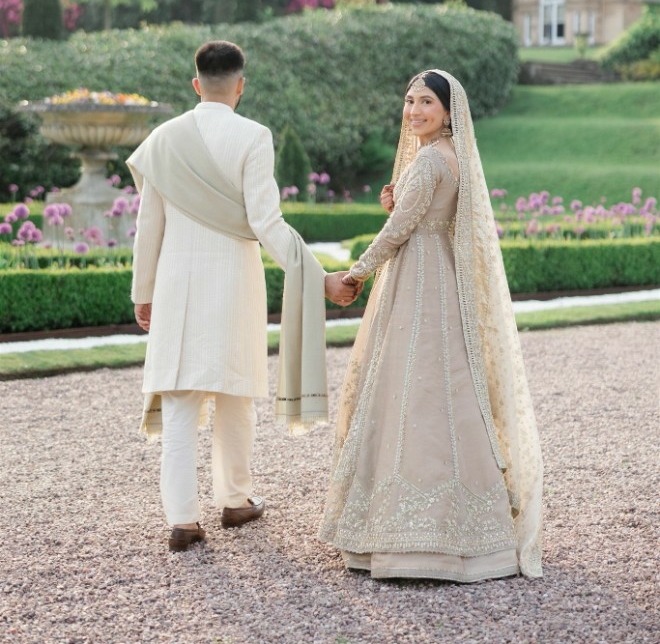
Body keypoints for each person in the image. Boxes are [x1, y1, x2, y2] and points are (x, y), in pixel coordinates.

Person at [127, 40, 358, 552]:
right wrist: (318, 277)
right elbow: (267, 223)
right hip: (233, 284)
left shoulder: (162, 140)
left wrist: (144, 292)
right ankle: (235, 501)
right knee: (234, 396)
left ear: (196, 84)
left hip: (176, 287)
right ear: (240, 85)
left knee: (180, 403)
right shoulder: (253, 136)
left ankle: (183, 521)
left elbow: (149, 227)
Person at [319, 69, 543, 581]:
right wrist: (399, 202)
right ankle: (471, 527)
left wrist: (355, 273)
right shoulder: (452, 156)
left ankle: (410, 534)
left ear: (447, 112)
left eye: (426, 102)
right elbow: (423, 213)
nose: (414, 111)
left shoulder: (428, 159)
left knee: (410, 387)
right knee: (444, 387)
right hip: (439, 276)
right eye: (409, 101)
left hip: (418, 282)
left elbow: (398, 231)